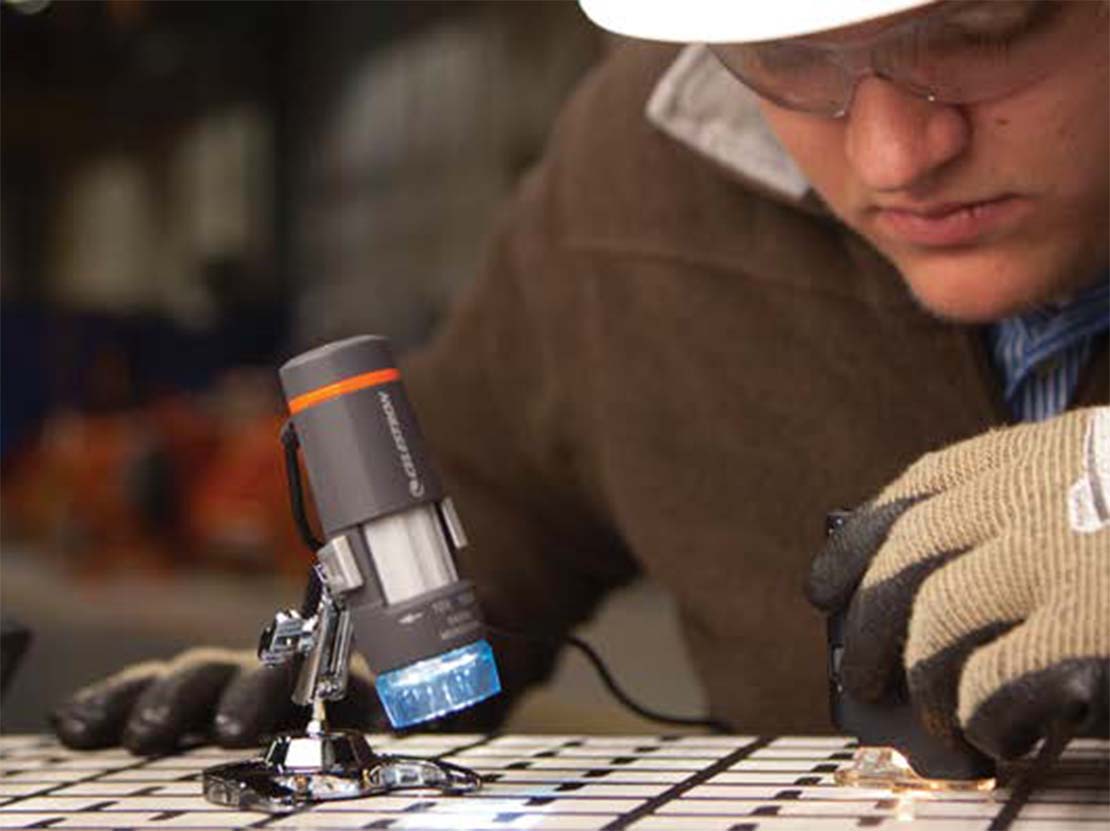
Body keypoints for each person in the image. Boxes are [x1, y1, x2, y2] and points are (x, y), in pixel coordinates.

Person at [54, 0, 1108, 769]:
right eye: (789, 56)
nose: (893, 156)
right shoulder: (632, 181)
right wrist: (353, 687)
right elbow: (486, 519)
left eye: (982, 30)